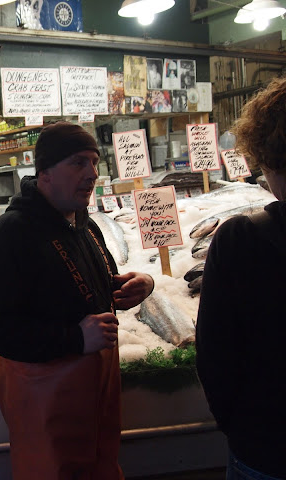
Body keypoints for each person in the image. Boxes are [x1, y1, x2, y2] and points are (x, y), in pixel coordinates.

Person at [0, 121, 155, 480]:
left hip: (97, 390)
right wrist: (74, 338)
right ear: (45, 172)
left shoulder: (86, 225)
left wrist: (136, 287)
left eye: (95, 162)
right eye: (78, 162)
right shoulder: (10, 233)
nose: (92, 173)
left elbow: (96, 290)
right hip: (44, 397)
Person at [196, 77, 286, 480]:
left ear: (266, 155)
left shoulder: (240, 239)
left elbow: (215, 354)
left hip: (268, 446)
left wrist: (241, 428)